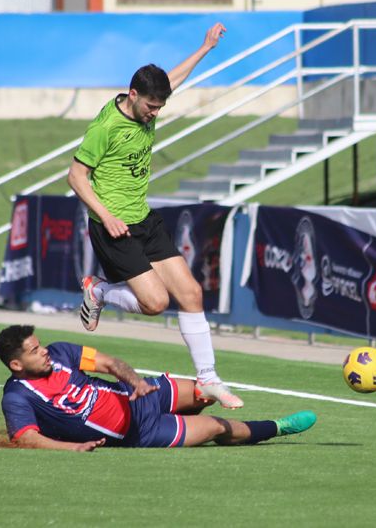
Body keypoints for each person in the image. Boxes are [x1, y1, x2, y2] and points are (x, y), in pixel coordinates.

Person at [67, 23, 244, 409]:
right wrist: (106, 215)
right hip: (112, 227)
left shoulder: (150, 103)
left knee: (192, 293)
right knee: (155, 304)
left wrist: (205, 48)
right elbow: (76, 176)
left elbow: (173, 79)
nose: (155, 113)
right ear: (133, 95)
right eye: (150, 106)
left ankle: (209, 378)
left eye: (160, 107)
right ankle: (97, 290)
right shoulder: (107, 126)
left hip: (144, 220)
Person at [0, 325, 316, 452]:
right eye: (35, 351)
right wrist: (73, 448)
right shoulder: (17, 397)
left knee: (201, 393)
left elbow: (108, 363)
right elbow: (27, 438)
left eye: (40, 345)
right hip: (141, 432)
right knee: (216, 427)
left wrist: (136, 382)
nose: (44, 350)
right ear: (16, 365)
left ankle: (206, 392)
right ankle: (278, 427)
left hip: (141, 394)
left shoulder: (61, 351)